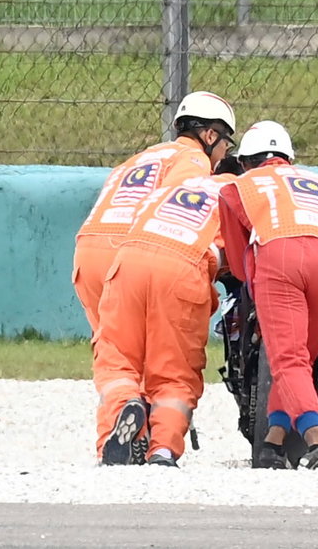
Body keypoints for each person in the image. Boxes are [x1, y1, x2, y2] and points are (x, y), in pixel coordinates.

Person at [217, 121, 318, 470]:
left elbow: (238, 261)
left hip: (279, 255)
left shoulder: (237, 186)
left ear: (245, 161)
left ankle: (315, 440)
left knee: (286, 358)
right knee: (302, 357)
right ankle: (273, 441)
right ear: (288, 159)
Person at [93, 172, 235, 466]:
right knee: (174, 373)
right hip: (183, 267)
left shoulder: (168, 190)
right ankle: (162, 449)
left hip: (128, 261)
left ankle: (124, 409)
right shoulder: (240, 193)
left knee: (117, 359)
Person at [73, 91, 236, 333]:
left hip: (87, 256)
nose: (224, 154)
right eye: (226, 144)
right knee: (155, 355)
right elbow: (174, 210)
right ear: (211, 135)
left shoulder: (140, 158)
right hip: (129, 257)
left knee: (115, 356)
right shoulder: (193, 160)